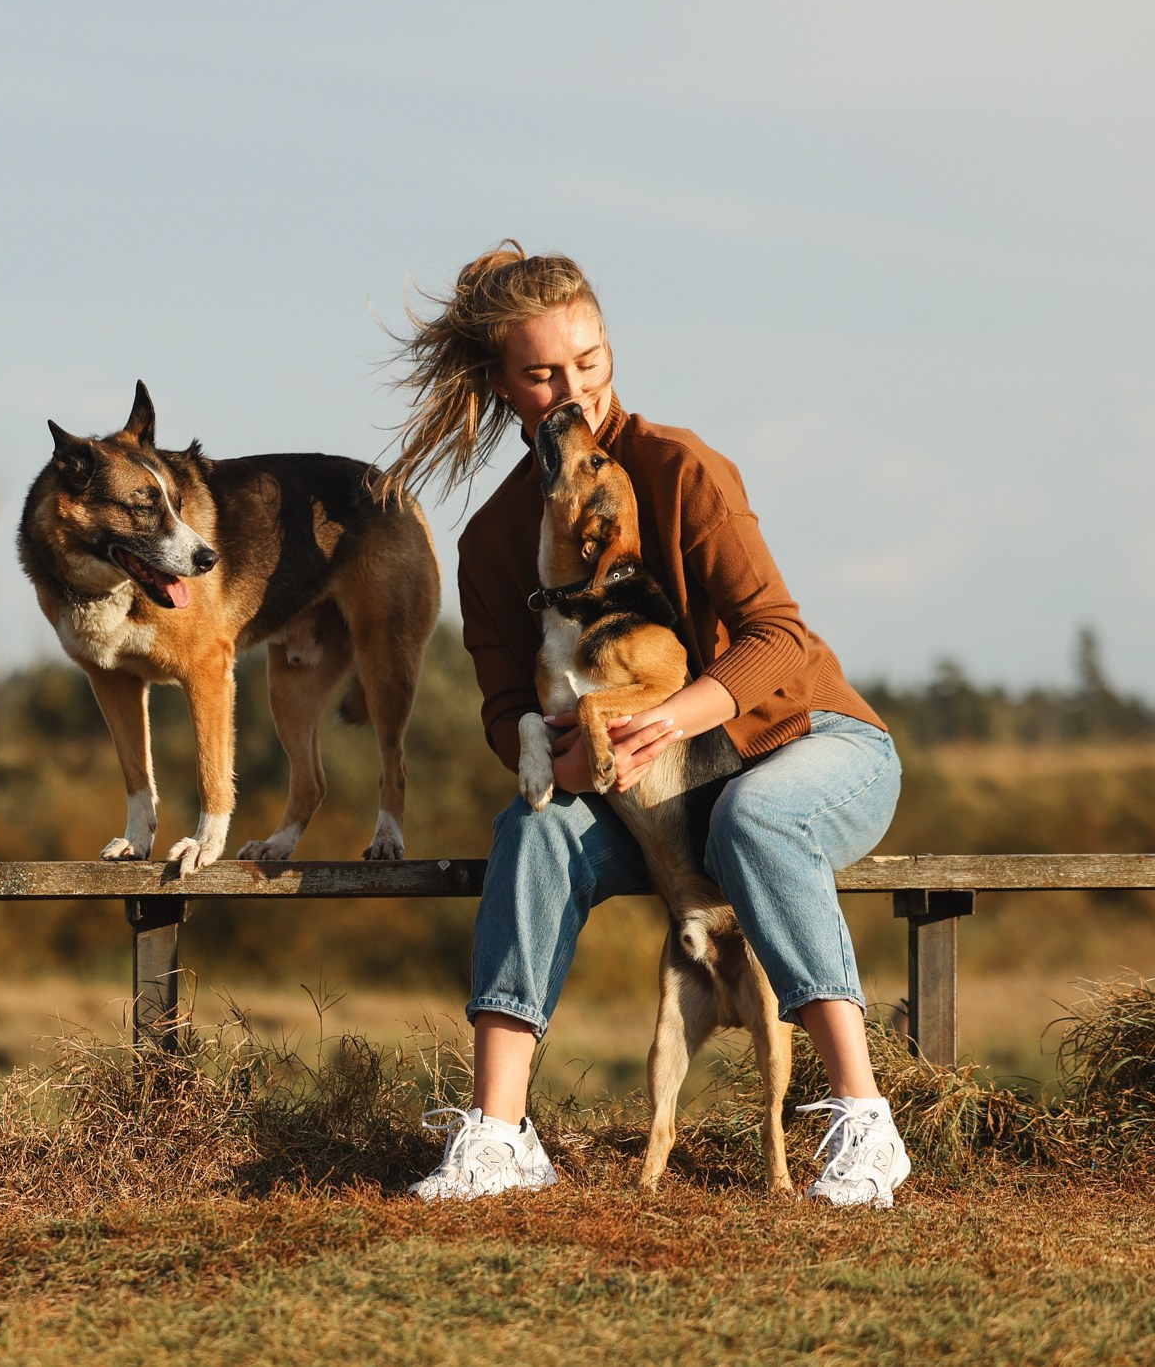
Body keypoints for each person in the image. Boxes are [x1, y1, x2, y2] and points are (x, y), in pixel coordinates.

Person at [380, 242, 910, 1208]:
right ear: (503, 386)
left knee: (755, 817)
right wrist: (555, 759)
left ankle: (865, 1122)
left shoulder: (680, 468)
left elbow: (780, 639)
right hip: (663, 796)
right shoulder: (490, 543)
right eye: (543, 375)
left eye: (589, 362)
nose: (573, 390)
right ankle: (499, 1136)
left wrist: (666, 720)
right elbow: (504, 709)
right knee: (533, 828)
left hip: (809, 744)